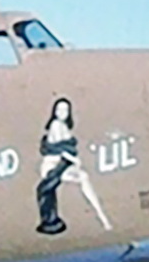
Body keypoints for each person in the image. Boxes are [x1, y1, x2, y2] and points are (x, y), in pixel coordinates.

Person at [34, 97, 111, 235]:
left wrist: (73, 160)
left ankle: (101, 214)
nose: (62, 112)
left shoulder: (64, 127)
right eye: (59, 109)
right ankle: (101, 216)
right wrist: (75, 161)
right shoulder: (56, 125)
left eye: (65, 109)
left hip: (64, 164)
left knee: (83, 177)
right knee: (83, 177)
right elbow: (62, 151)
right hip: (53, 166)